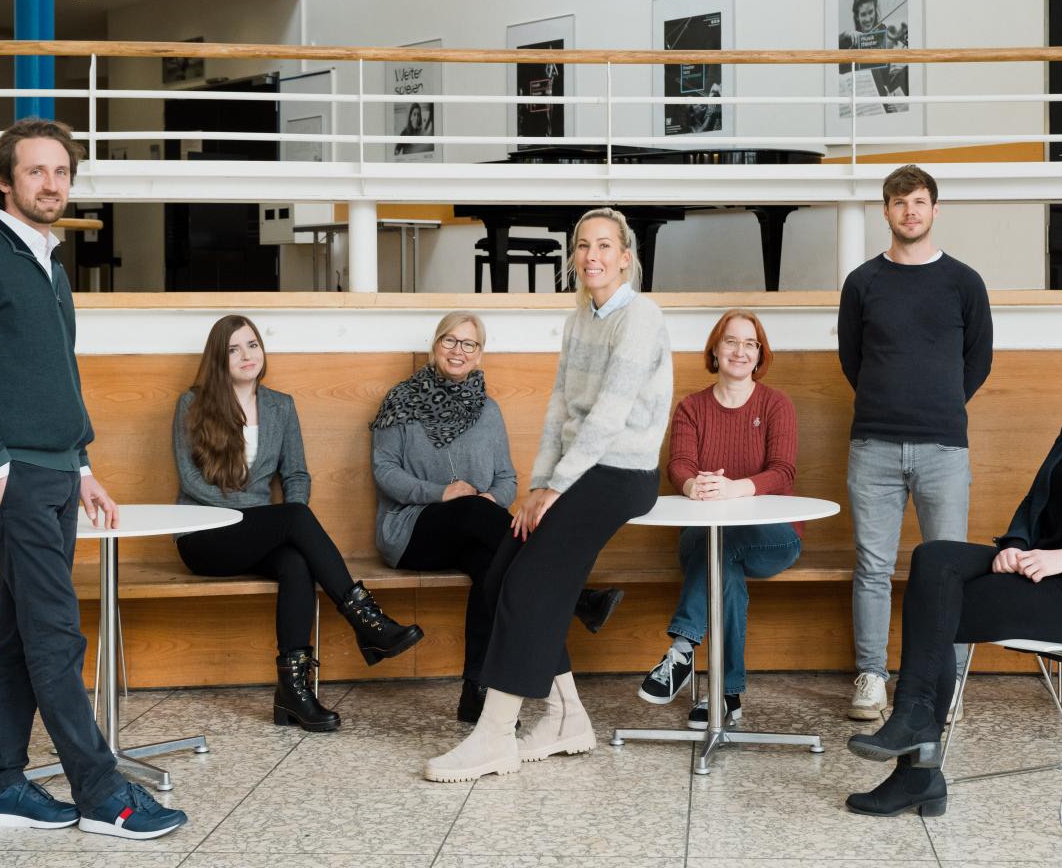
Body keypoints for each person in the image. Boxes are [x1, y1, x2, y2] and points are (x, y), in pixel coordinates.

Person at [0, 116, 186, 840]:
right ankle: (103, 794)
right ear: (4, 181)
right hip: (9, 474)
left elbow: (58, 376)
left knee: (21, 632)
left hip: (51, 469)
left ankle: (0, 783)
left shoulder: (50, 264)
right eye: (36, 171)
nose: (51, 184)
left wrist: (81, 463)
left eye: (62, 172)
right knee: (53, 634)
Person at [844, 317, 1062, 817]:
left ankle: (916, 749)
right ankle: (917, 734)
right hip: (1040, 570)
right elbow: (1037, 501)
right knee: (934, 558)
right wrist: (1015, 542)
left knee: (944, 605)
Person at [424, 207, 673, 782]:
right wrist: (539, 485)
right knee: (501, 573)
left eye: (605, 246)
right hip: (576, 470)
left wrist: (554, 488)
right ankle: (566, 717)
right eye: (583, 245)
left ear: (626, 257)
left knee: (533, 583)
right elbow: (560, 408)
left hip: (621, 471)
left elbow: (610, 416)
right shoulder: (578, 318)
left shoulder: (642, 315)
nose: (592, 256)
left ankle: (492, 737)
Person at [372, 311, 625, 724]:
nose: (458, 351)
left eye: (468, 344)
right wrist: (442, 493)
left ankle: (475, 692)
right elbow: (384, 472)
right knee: (473, 510)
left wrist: (492, 497)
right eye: (450, 341)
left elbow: (507, 477)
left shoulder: (487, 410)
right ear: (435, 346)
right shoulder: (400, 401)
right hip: (412, 529)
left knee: (493, 567)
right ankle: (577, 596)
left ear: (479, 354)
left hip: (474, 533)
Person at [174, 314, 424, 732]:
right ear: (218, 359)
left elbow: (297, 476)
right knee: (292, 517)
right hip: (204, 535)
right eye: (233, 349)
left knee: (296, 562)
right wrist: (269, 518)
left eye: (252, 345)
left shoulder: (280, 406)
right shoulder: (192, 404)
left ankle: (293, 693)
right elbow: (190, 480)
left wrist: (282, 524)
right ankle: (367, 621)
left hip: (255, 533)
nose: (246, 355)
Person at [838, 163, 993, 721]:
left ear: (934, 209)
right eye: (900, 202)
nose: (910, 211)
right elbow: (853, 360)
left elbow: (978, 361)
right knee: (873, 567)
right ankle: (872, 678)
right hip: (873, 447)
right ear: (886, 211)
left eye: (920, 201)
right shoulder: (862, 283)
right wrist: (891, 400)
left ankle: (937, 686)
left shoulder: (964, 282)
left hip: (943, 449)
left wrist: (941, 404)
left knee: (946, 569)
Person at [637, 309, 802, 728]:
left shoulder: (776, 404)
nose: (740, 351)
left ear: (760, 354)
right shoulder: (692, 408)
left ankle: (682, 649)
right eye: (731, 341)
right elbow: (680, 466)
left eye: (750, 343)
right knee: (717, 555)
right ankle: (725, 695)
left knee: (717, 546)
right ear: (715, 348)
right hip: (708, 537)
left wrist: (732, 488)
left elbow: (783, 471)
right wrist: (694, 487)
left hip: (774, 538)